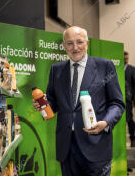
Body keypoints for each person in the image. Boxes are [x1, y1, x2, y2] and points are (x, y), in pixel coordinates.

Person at [33, 26, 125, 176]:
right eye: (69, 43)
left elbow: (117, 103)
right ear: (64, 46)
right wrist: (43, 104)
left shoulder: (105, 66)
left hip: (96, 144)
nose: (75, 48)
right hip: (67, 148)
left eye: (79, 42)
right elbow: (53, 102)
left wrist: (106, 122)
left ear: (87, 43)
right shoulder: (56, 70)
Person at [124, 51, 135, 147]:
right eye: (124, 58)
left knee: (129, 119)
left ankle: (133, 138)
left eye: (127, 58)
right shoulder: (116, 67)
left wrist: (133, 100)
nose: (126, 60)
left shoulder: (132, 69)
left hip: (128, 99)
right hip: (118, 98)